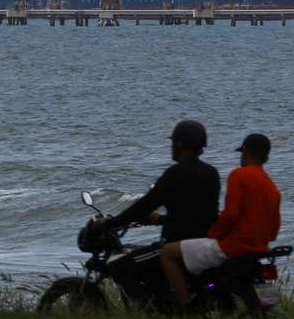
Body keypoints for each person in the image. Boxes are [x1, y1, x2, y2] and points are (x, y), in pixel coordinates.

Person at [160, 133, 281, 307]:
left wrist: (213, 233)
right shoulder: (272, 188)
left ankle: (186, 307)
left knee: (168, 253)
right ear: (266, 157)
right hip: (259, 249)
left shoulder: (239, 175)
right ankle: (268, 306)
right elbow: (273, 231)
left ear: (246, 152)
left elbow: (230, 215)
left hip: (233, 248)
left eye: (242, 153)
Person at [94, 120, 220, 242]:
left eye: (173, 142)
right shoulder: (212, 172)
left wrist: (111, 222)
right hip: (206, 241)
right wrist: (160, 219)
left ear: (179, 144)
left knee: (125, 258)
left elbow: (145, 206)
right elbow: (197, 216)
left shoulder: (175, 173)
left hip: (176, 242)